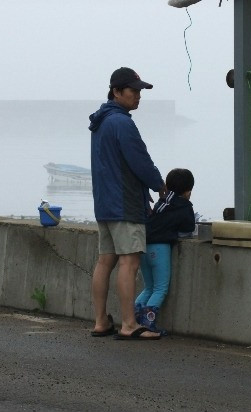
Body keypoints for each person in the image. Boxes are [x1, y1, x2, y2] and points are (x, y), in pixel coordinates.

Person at [88, 67, 165, 340]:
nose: (138, 96)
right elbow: (139, 160)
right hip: (125, 202)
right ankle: (129, 324)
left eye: (140, 91)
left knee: (105, 261)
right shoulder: (122, 122)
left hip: (104, 203)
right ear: (116, 91)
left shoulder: (101, 122)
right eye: (133, 90)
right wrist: (160, 185)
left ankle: (100, 321)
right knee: (129, 263)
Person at [135, 168, 196, 335]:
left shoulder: (161, 202)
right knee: (160, 288)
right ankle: (148, 325)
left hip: (143, 246)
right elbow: (189, 227)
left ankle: (135, 320)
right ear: (188, 192)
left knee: (148, 287)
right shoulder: (184, 206)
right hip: (159, 248)